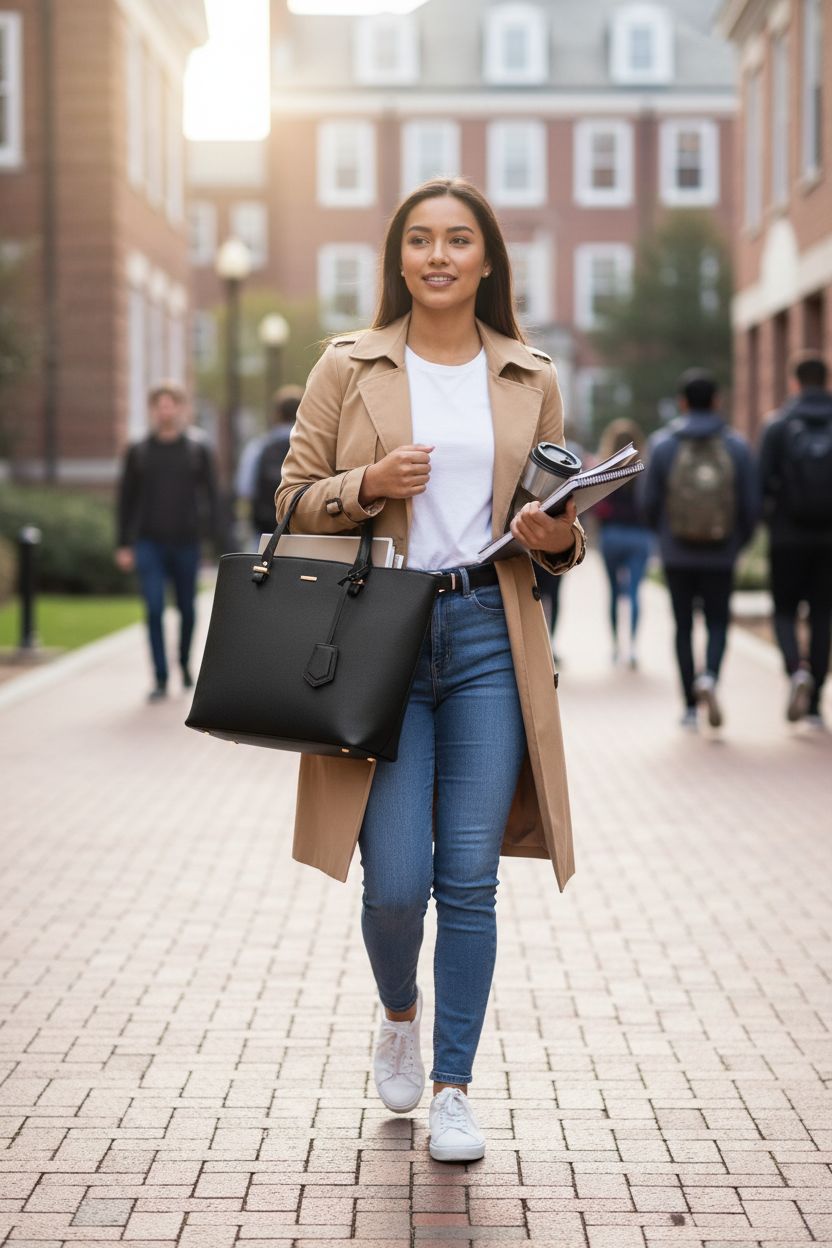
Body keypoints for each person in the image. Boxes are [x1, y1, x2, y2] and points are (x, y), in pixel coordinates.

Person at [275, 177, 585, 1163]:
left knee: (469, 879)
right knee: (396, 882)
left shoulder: (527, 374)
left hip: (491, 632)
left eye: (459, 240)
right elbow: (289, 502)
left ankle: (453, 1085)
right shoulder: (346, 364)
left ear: (488, 260)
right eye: (421, 240)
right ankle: (399, 1010)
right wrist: (367, 484)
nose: (439, 255)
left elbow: (559, 535)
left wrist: (555, 532)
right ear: (398, 259)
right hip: (382, 639)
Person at [643, 369, 756, 729]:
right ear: (718, 401)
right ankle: (710, 677)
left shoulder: (663, 444)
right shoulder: (736, 445)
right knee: (719, 621)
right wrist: (738, 542)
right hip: (721, 553)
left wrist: (664, 538)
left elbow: (649, 502)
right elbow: (751, 505)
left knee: (682, 627)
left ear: (682, 402)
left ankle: (690, 706)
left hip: (677, 553)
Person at [115, 382, 221, 702]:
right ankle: (160, 677)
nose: (166, 410)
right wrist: (123, 544)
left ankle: (185, 665)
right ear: (153, 410)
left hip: (186, 543)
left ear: (180, 408)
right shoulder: (139, 451)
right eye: (159, 405)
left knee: (188, 610)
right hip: (149, 543)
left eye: (171, 404)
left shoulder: (198, 448)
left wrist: (217, 542)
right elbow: (125, 500)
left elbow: (214, 497)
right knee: (153, 608)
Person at [758, 352, 832, 728]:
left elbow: (760, 484)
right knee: (823, 614)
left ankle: (794, 671)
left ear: (795, 382)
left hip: (786, 536)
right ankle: (817, 703)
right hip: (828, 541)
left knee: (785, 611)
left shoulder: (778, 425)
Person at [594, 418, 653, 668]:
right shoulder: (644, 469)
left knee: (613, 593)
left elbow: (596, 508)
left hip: (612, 536)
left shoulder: (603, 469)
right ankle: (634, 649)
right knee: (634, 592)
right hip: (639, 537)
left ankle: (617, 648)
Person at [236, 384, 304, 545]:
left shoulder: (259, 447)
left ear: (277, 414)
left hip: (265, 530)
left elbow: (244, 488)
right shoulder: (316, 448)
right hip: (305, 531)